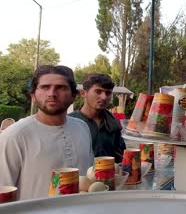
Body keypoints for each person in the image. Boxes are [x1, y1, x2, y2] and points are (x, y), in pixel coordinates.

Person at [0, 65, 93, 200]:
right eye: (45, 87)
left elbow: (89, 177)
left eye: (60, 87)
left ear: (73, 96)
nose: (52, 94)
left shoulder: (82, 127)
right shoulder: (14, 136)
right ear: (33, 96)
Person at [69, 73, 126, 163]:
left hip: (109, 175)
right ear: (84, 93)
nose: (104, 97)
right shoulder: (70, 122)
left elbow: (121, 155)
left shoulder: (113, 123)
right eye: (98, 92)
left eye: (108, 93)